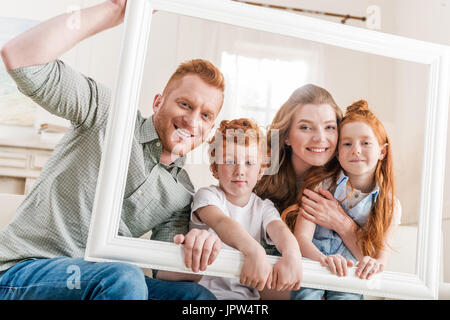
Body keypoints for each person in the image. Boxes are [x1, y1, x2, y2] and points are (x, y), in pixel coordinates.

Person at [0, 0, 224, 300]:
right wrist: (115, 9)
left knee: (195, 297)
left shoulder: (180, 192)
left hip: (99, 283)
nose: (193, 120)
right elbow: (20, 57)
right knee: (124, 276)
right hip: (24, 271)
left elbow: (164, 271)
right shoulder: (108, 112)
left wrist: (200, 250)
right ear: (158, 102)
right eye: (185, 104)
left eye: (206, 115)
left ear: (210, 129)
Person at [283, 100, 401, 300]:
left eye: (365, 143)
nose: (355, 150)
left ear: (382, 151)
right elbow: (301, 238)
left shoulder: (389, 205)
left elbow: (381, 259)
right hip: (313, 266)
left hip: (350, 276)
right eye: (347, 143)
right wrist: (324, 260)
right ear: (337, 153)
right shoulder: (321, 186)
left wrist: (373, 263)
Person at [188, 118, 302, 300]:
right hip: (206, 294)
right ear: (215, 168)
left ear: (260, 171)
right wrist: (254, 250)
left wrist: (293, 254)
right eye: (230, 161)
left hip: (245, 298)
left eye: (249, 163)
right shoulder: (208, 196)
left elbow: (280, 231)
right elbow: (220, 222)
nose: (239, 170)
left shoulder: (264, 207)